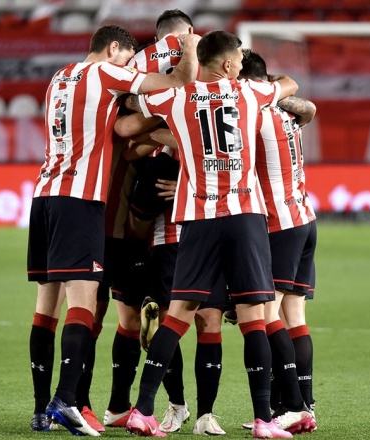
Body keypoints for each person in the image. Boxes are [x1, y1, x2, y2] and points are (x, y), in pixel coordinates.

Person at [118, 30, 299, 439]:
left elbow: (135, 104)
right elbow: (289, 85)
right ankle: (264, 420)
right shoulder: (249, 93)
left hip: (196, 217)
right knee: (254, 316)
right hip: (243, 215)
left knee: (178, 313)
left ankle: (143, 410)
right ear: (231, 64)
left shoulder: (178, 97)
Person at [27, 24, 200, 436]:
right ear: (114, 48)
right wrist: (189, 48)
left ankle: (40, 410)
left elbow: (116, 126)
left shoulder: (59, 76)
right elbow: (177, 79)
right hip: (79, 200)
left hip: (44, 195)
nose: (129, 66)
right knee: (83, 303)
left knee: (45, 308)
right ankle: (66, 400)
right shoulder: (105, 73)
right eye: (127, 56)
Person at [103, 10, 197, 431]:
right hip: (128, 223)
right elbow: (125, 137)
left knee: (173, 317)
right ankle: (126, 406)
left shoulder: (201, 82)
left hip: (170, 224)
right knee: (138, 319)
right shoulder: (139, 78)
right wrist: (167, 135)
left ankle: (175, 405)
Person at [238, 48, 318, 434]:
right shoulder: (285, 114)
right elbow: (308, 108)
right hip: (303, 218)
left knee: (269, 316)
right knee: (295, 316)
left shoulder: (251, 117)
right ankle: (305, 404)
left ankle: (294, 406)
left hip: (278, 226)